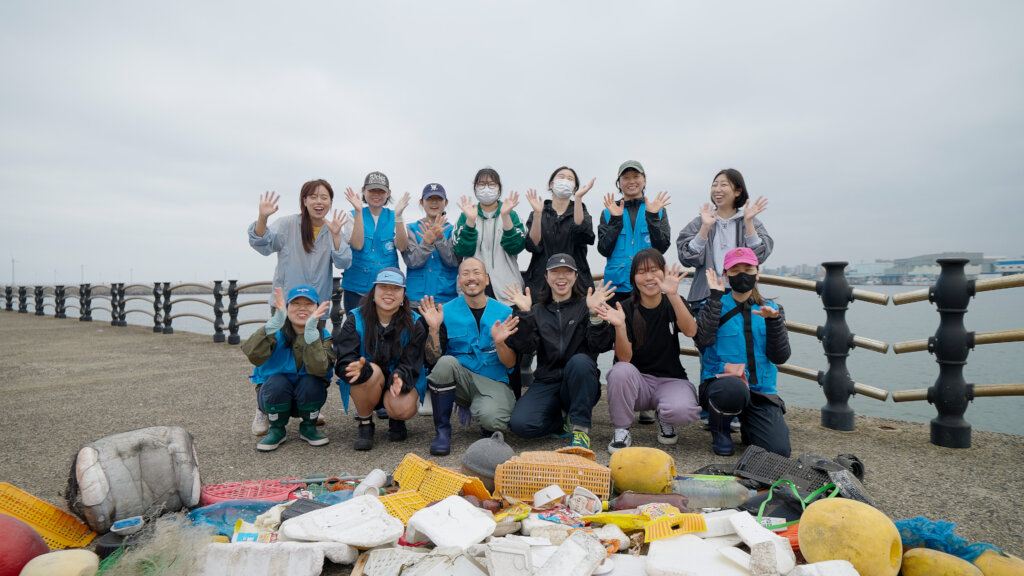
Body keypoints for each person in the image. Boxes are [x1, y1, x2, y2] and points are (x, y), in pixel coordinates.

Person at [247, 180, 351, 436]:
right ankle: (263, 407)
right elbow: (262, 243)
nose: (319, 202)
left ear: (330, 202)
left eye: (324, 197)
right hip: (285, 306)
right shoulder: (287, 224)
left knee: (312, 355)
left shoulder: (332, 228)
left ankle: (309, 407)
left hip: (316, 307)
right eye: (313, 197)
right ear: (304, 200)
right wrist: (262, 216)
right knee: (273, 355)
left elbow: (344, 261)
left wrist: (337, 236)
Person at [502, 254, 614, 450]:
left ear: (576, 276)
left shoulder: (585, 306)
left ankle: (580, 430)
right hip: (547, 380)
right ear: (546, 277)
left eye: (567, 272)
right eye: (555, 272)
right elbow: (526, 348)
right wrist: (525, 314)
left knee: (580, 361)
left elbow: (601, 345)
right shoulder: (537, 310)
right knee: (520, 425)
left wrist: (595, 313)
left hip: (581, 382)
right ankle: (560, 418)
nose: (561, 277)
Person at [598, 249, 701, 453]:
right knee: (620, 371)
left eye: (654, 270)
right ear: (633, 278)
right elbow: (625, 358)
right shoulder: (625, 308)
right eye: (641, 272)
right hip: (638, 385)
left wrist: (672, 295)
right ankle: (622, 430)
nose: (649, 277)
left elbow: (690, 331)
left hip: (671, 380)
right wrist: (619, 326)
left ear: (663, 272)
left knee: (684, 411)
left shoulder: (673, 301)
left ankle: (665, 417)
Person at [695, 247, 791, 457]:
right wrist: (714, 297)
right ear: (725, 274)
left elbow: (780, 357)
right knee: (734, 388)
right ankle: (720, 431)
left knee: (779, 451)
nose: (742, 274)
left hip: (761, 391)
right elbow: (703, 340)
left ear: (757, 273)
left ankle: (751, 427)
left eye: (748, 269)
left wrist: (773, 322)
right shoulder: (712, 304)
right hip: (722, 386)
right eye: (735, 269)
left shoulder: (773, 309)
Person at [419, 258, 520, 456]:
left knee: (494, 422)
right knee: (445, 363)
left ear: (487, 279)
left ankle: (483, 411)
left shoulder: (506, 312)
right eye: (465, 274)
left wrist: (499, 343)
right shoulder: (444, 312)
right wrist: (433, 328)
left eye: (476, 272)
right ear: (458, 280)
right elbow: (433, 360)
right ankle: (442, 431)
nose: (471, 278)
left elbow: (511, 364)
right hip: (461, 380)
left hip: (494, 381)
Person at [333, 268, 425, 451]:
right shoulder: (354, 319)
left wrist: (399, 377)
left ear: (403, 296)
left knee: (403, 408)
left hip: (397, 382)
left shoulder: (415, 322)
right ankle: (365, 423)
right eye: (383, 287)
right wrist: (358, 369)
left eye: (396, 288)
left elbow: (412, 362)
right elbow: (343, 359)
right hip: (369, 382)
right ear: (373, 292)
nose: (389, 292)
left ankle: (396, 419)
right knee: (370, 371)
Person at [241, 285, 335, 451]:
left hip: (305, 399)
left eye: (308, 304)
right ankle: (276, 429)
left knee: (312, 381)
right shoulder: (274, 332)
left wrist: (311, 335)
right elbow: (253, 355)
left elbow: (321, 370)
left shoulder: (323, 335)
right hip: (273, 397)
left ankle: (308, 427)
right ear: (286, 308)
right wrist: (272, 326)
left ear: (317, 309)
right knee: (277, 381)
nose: (302, 308)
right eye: (296, 303)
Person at [676, 168, 772, 311]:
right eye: (714, 185)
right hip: (706, 294)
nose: (717, 189)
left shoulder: (749, 220)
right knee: (706, 333)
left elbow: (759, 256)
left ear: (738, 191)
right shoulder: (700, 221)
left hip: (741, 293)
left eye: (723, 185)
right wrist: (705, 228)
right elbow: (687, 258)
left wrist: (749, 222)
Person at [597, 160, 672, 305]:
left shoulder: (658, 210)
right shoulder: (608, 212)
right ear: (619, 182)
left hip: (648, 284)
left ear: (644, 180)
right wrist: (616, 220)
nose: (631, 181)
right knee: (617, 327)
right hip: (616, 289)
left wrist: (652, 217)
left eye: (636, 176)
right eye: (626, 178)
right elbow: (604, 249)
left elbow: (661, 247)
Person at [452, 168, 527, 306]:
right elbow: (461, 249)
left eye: (491, 184)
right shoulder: (466, 215)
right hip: (473, 288)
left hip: (508, 291)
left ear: (499, 189)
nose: (486, 188)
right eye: (481, 184)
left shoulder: (511, 214)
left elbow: (516, 247)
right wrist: (470, 222)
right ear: (475, 188)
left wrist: (505, 217)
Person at [522, 167, 597, 299]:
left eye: (570, 179)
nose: (564, 181)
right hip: (540, 283)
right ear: (551, 184)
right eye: (561, 177)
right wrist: (538, 214)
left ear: (575, 188)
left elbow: (583, 234)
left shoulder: (580, 211)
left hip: (574, 284)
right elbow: (532, 245)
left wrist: (578, 199)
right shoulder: (539, 211)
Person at [341, 171, 400, 314]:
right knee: (355, 329)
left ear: (388, 193)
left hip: (386, 288)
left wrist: (400, 217)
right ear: (363, 191)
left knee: (384, 331)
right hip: (355, 288)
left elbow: (402, 246)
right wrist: (359, 211)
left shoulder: (395, 216)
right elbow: (357, 244)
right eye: (372, 190)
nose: (376, 195)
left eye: (381, 191)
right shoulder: (352, 215)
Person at [396, 183, 459, 309]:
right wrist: (426, 243)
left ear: (446, 202)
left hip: (446, 300)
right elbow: (412, 262)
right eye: (429, 198)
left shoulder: (454, 230)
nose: (434, 202)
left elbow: (453, 261)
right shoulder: (412, 229)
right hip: (416, 300)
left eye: (439, 199)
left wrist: (439, 238)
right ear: (421, 202)